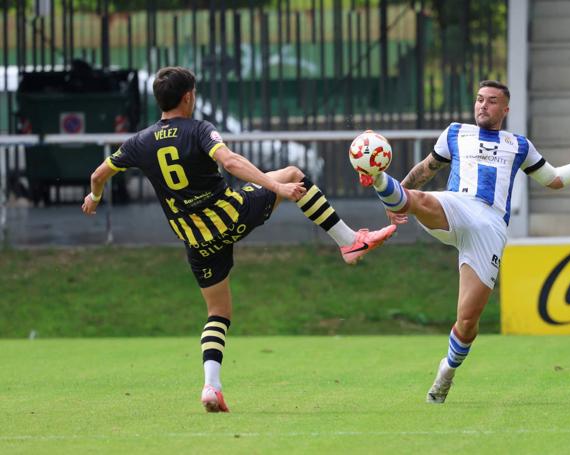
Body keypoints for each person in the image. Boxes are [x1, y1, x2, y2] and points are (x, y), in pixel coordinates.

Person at [81, 66, 396, 413]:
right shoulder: (199, 129)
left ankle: (210, 387)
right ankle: (349, 242)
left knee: (218, 311)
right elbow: (229, 161)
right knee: (291, 174)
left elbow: (99, 174)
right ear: (188, 97)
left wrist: (94, 198)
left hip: (196, 241)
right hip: (228, 214)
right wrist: (277, 188)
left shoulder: (139, 142)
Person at [358, 80, 570, 404]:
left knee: (468, 320)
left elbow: (555, 179)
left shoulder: (519, 145)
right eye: (479, 99)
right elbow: (425, 170)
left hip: (489, 227)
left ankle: (447, 371)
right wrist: (397, 198)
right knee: (419, 199)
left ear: (505, 109)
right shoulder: (455, 133)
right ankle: (375, 177)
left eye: (491, 101)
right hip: (457, 206)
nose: (482, 106)